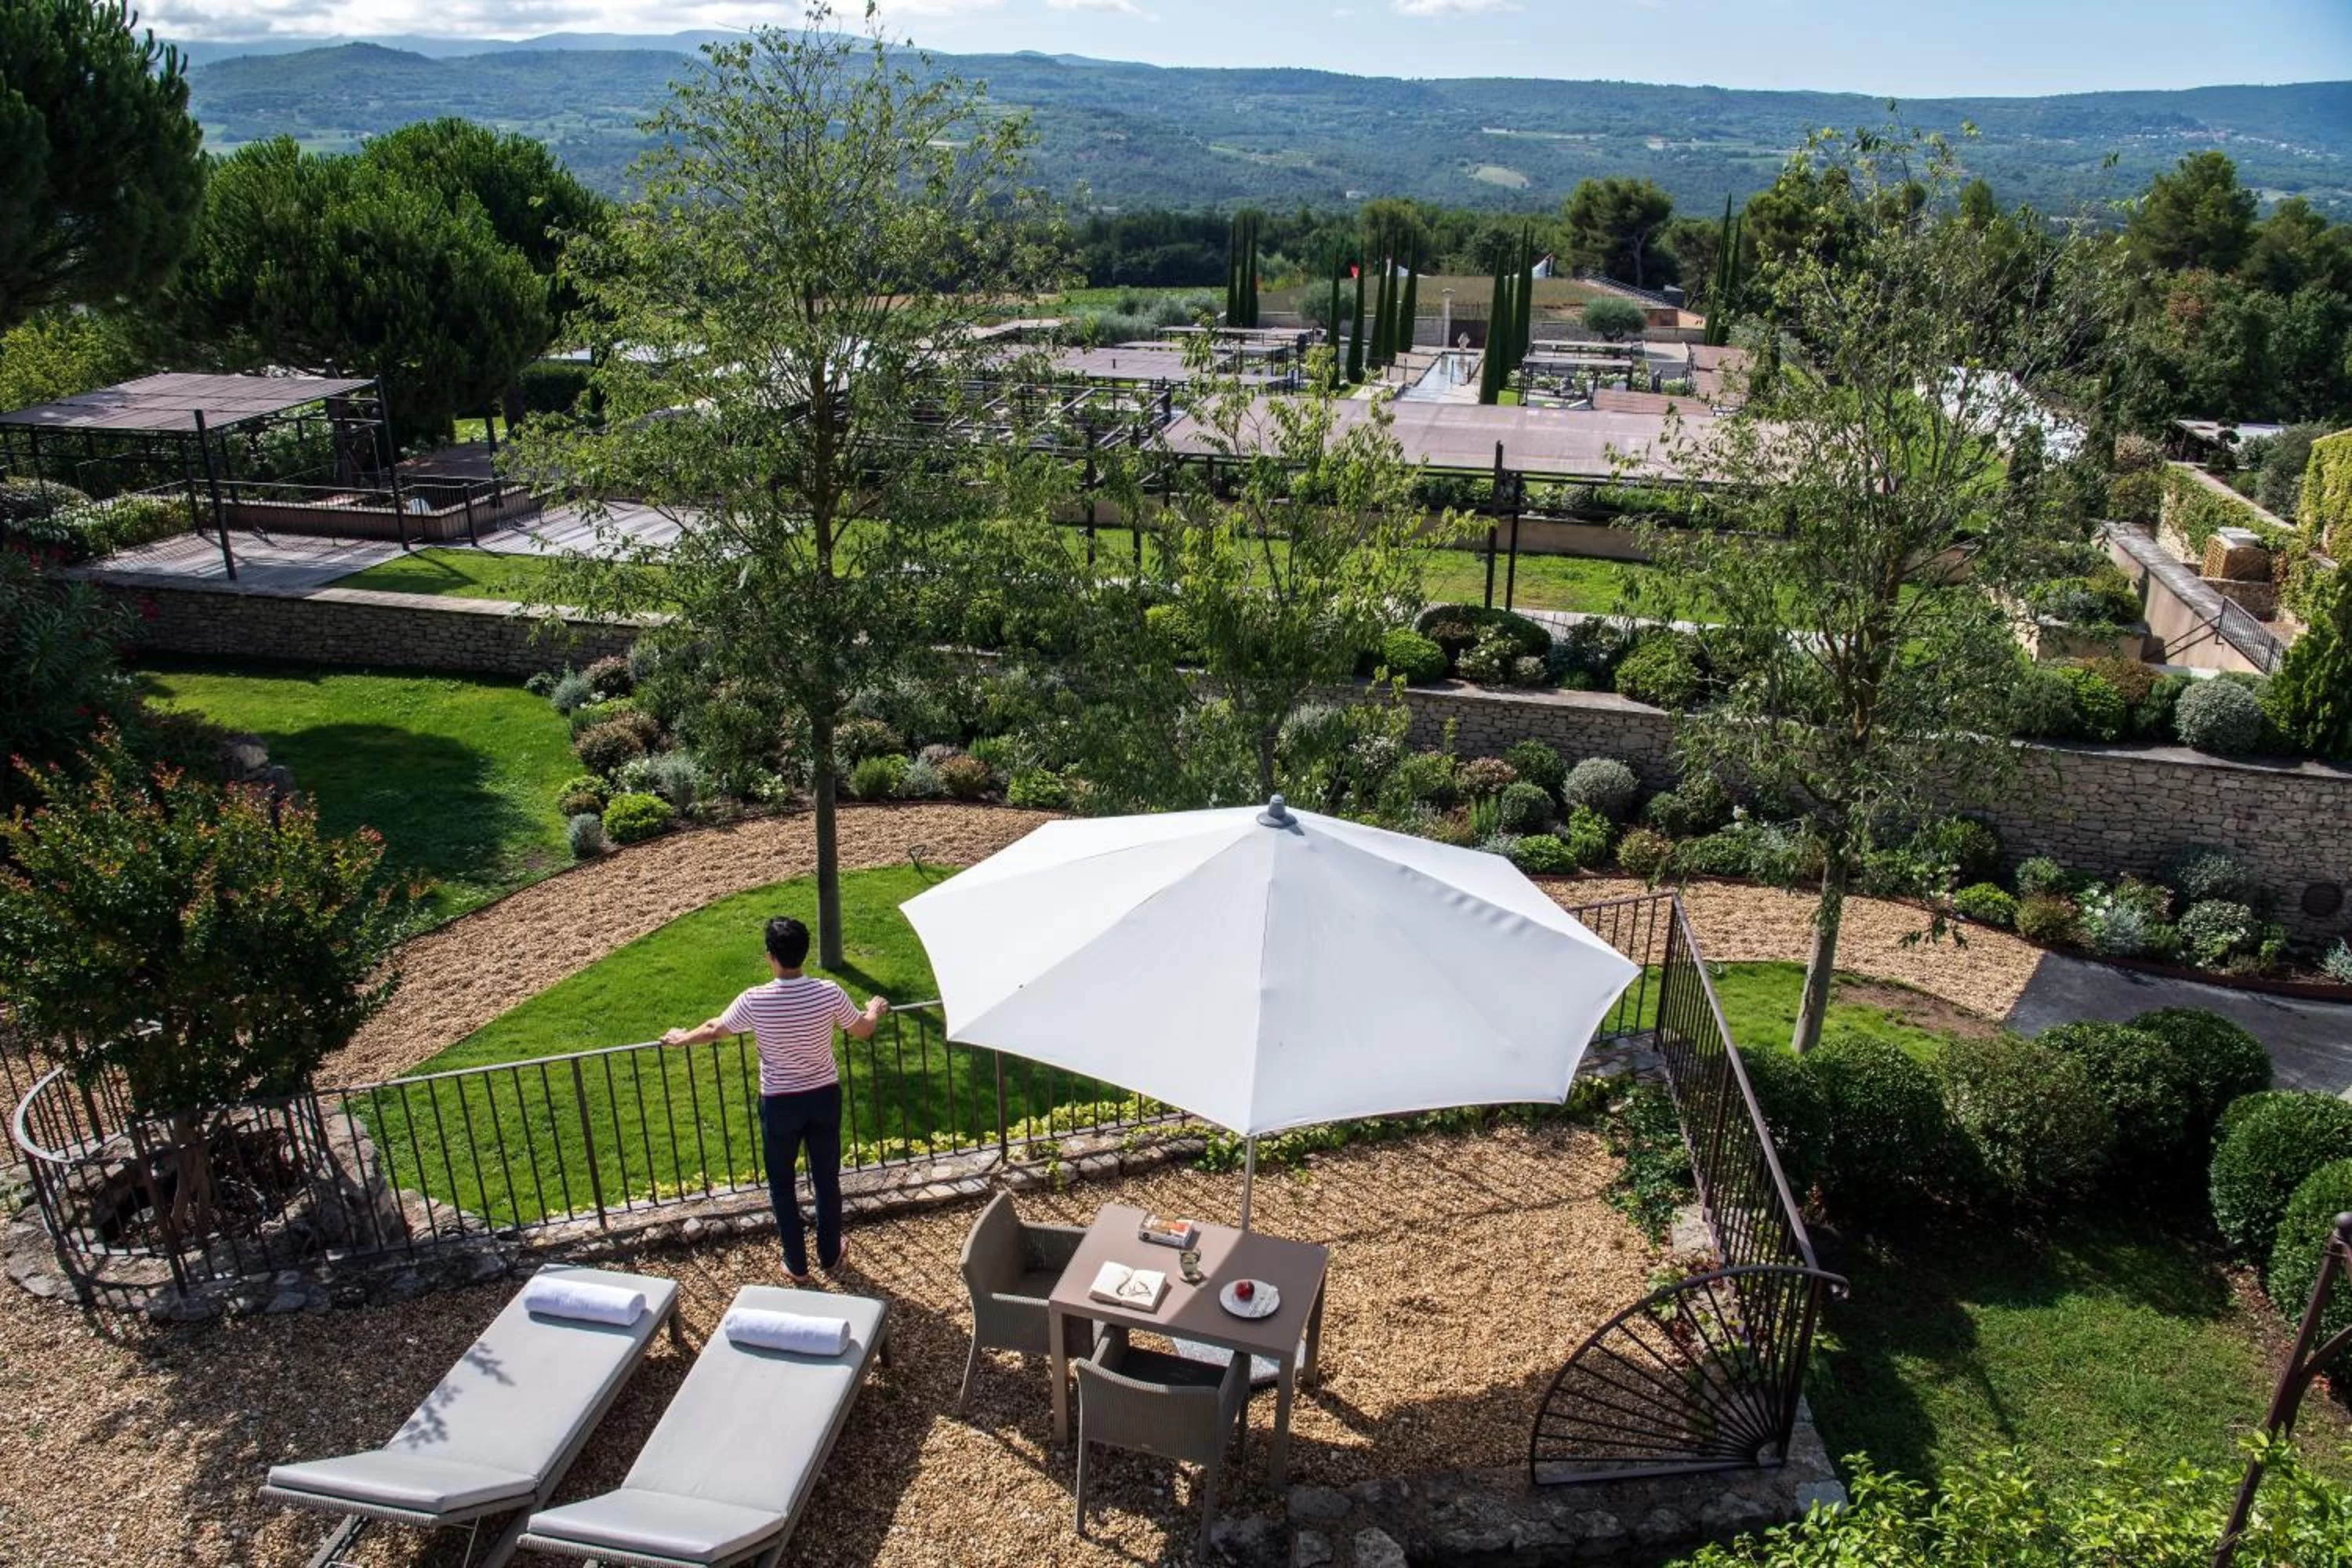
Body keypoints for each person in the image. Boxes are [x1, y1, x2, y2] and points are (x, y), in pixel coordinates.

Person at [662, 916, 887, 1282]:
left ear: (770, 956)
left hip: (780, 1102)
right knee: (826, 1179)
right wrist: (874, 1011)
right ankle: (830, 1257)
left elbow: (715, 1029)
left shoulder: (756, 999)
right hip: (823, 1096)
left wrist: (680, 1038)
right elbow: (861, 1030)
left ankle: (796, 1266)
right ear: (805, 952)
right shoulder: (828, 993)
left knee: (782, 1183)